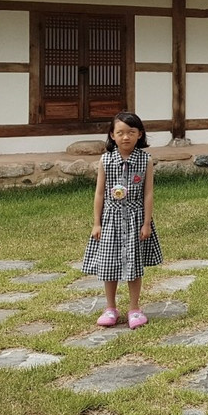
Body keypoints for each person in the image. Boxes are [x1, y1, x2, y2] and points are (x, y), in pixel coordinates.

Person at [81, 112, 163, 329]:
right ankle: (110, 307)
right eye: (120, 133)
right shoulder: (106, 160)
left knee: (134, 265)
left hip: (136, 218)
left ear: (140, 134)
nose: (126, 137)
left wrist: (146, 223)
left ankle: (135, 308)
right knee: (109, 264)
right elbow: (99, 193)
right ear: (112, 135)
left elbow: (148, 194)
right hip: (110, 219)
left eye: (131, 132)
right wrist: (96, 222)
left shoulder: (146, 160)